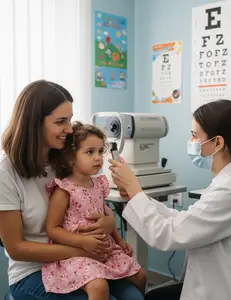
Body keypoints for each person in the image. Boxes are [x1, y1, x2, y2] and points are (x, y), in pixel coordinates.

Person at [109, 99, 231, 300]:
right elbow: (187, 221)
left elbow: (168, 235)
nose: (191, 142)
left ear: (217, 143)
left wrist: (134, 189)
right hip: (222, 282)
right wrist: (138, 196)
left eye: (195, 136)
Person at [0, 80, 144, 300]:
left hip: (85, 259)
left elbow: (90, 202)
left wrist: (109, 223)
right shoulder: (6, 173)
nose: (69, 128)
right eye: (61, 121)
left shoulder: (65, 160)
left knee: (133, 296)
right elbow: (16, 248)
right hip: (32, 272)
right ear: (34, 124)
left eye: (69, 119)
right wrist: (82, 250)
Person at [43, 121, 146, 299]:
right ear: (70, 158)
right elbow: (52, 230)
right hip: (75, 253)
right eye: (90, 152)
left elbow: (106, 216)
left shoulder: (98, 184)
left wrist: (120, 241)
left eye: (100, 151)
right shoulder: (63, 190)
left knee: (141, 275)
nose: (98, 158)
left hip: (104, 249)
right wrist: (81, 242)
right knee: (99, 287)